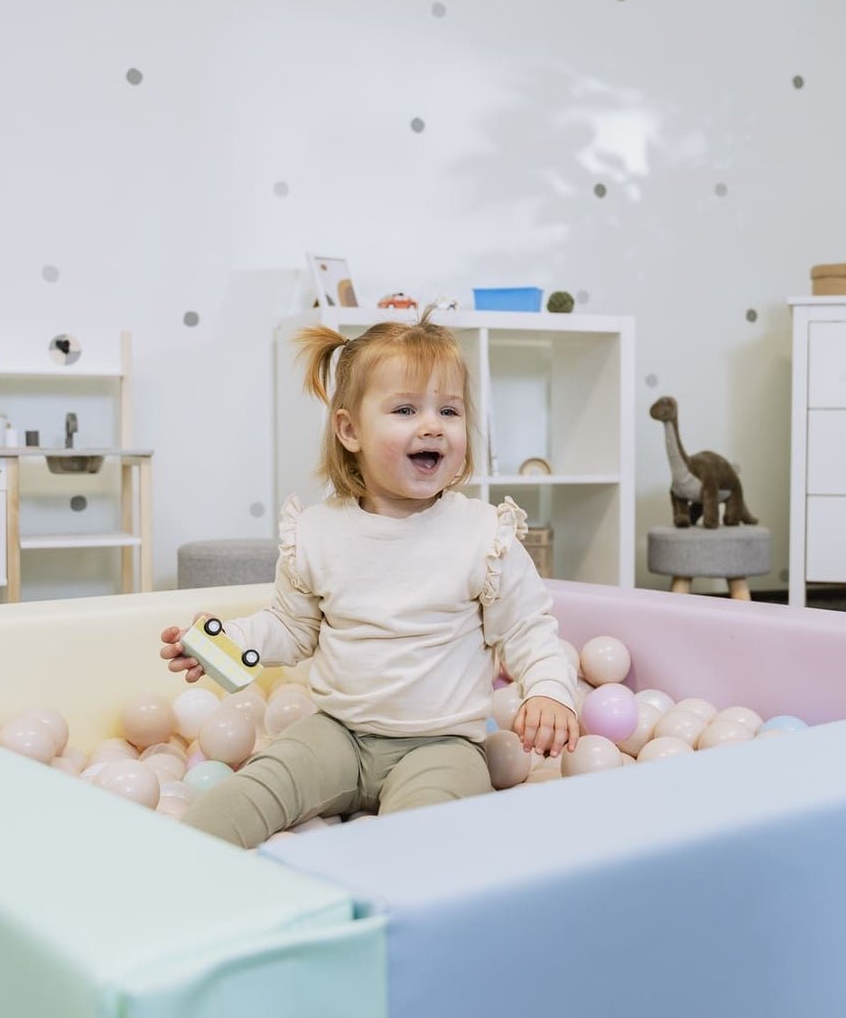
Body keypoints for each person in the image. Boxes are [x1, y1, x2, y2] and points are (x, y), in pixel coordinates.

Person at [160, 309, 579, 848]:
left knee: (423, 839)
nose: (433, 425)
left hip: (441, 745)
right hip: (336, 732)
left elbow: (526, 629)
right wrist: (227, 642)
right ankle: (181, 873)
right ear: (350, 429)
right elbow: (292, 628)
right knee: (243, 796)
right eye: (406, 409)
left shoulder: (483, 536)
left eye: (449, 411)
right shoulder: (319, 532)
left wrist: (548, 691)